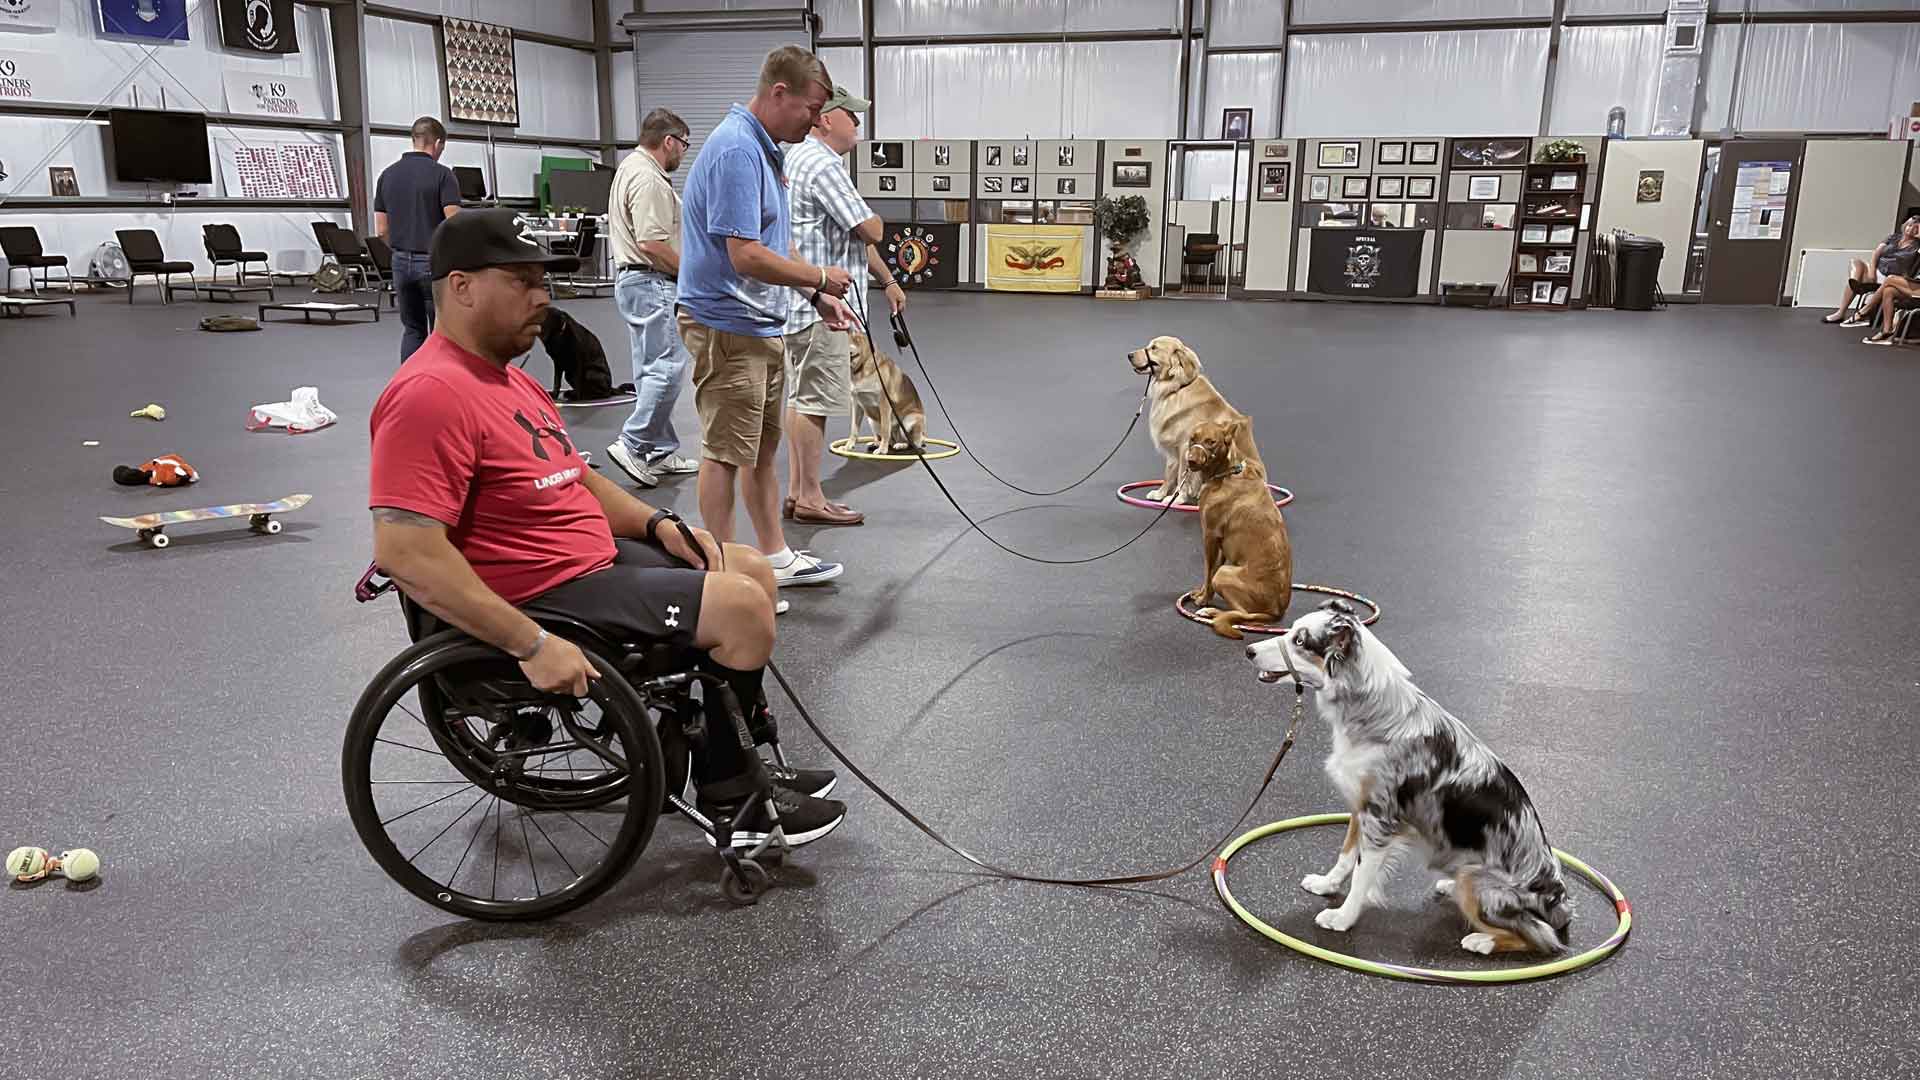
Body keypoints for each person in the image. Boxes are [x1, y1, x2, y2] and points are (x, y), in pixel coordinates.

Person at [367, 209, 846, 849]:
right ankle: (737, 802)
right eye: (522, 281)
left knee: (747, 567)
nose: (544, 298)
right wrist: (532, 646)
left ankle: (744, 756)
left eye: (545, 281)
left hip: (585, 565)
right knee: (738, 609)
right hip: (536, 593)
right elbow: (406, 551)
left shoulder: (508, 380)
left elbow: (577, 480)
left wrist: (657, 521)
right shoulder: (428, 394)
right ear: (461, 286)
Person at [677, 45, 855, 588]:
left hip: (760, 322)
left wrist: (814, 296)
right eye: (811, 108)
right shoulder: (736, 150)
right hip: (725, 324)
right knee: (725, 453)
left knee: (760, 451)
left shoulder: (766, 148)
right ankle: (727, 573)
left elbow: (778, 244)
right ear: (780, 94)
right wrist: (820, 278)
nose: (817, 121)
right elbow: (745, 255)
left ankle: (773, 555)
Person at [780, 85, 907, 527]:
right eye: (851, 116)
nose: (858, 125)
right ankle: (813, 497)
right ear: (826, 118)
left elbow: (850, 235)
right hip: (825, 308)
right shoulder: (823, 164)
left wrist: (887, 280)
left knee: (801, 398)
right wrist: (875, 223)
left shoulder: (794, 158)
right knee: (814, 401)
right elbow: (871, 229)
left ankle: (798, 492)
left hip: (801, 302)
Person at [605, 108, 701, 489]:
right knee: (668, 367)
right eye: (684, 145)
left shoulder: (629, 168)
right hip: (652, 282)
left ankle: (659, 449)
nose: (684, 153)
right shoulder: (649, 180)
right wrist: (691, 276)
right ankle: (633, 441)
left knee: (649, 368)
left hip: (635, 283)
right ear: (669, 141)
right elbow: (652, 243)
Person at [374, 116, 462, 362]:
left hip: (400, 262)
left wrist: (402, 248)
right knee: (442, 332)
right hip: (434, 262)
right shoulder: (444, 176)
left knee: (412, 330)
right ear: (437, 143)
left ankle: (409, 386)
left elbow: (381, 230)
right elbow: (454, 224)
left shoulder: (386, 176)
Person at [1856, 216, 1919, 346]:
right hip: (1916, 284)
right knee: (1889, 291)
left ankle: (1866, 310)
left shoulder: (1916, 245)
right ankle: (1887, 332)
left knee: (1890, 280)